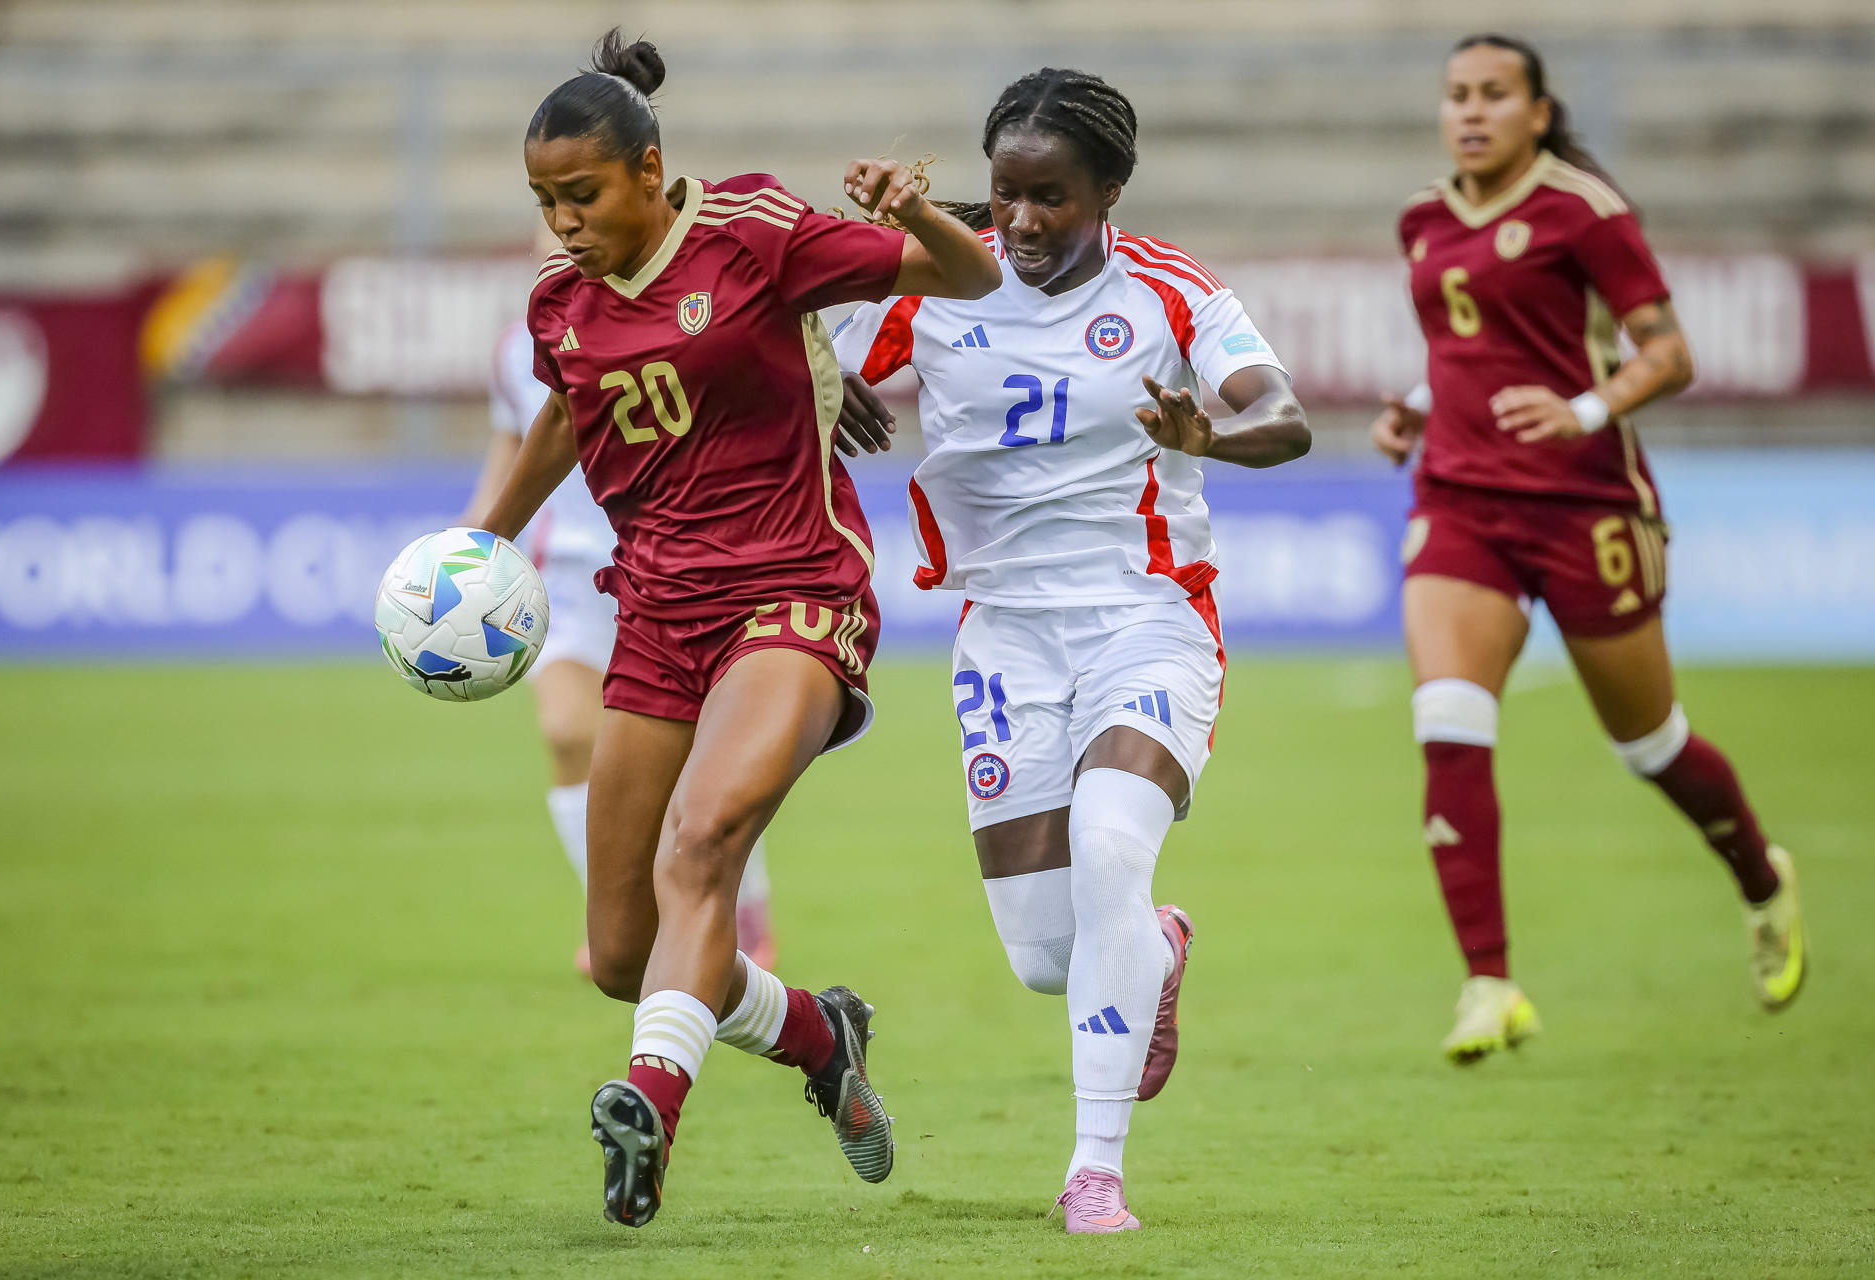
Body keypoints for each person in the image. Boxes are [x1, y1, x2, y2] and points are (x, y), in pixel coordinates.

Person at [475, 30, 1000, 1228]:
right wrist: (491, 539)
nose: (562, 220)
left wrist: (916, 214)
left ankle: (649, 1106)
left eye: (584, 194)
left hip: (796, 594)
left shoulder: (754, 229)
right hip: (657, 616)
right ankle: (820, 1032)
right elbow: (569, 409)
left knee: (702, 839)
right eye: (544, 199)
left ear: (650, 171)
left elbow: (966, 279)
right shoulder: (559, 304)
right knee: (621, 952)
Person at [832, 68, 1308, 1233]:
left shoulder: (1171, 289)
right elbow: (795, 346)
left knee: (1108, 847)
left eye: (1052, 197)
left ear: (1109, 191)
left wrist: (1212, 433)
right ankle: (1159, 943)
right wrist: (825, 373)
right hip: (1003, 634)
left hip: (1148, 616)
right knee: (1051, 955)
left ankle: (1095, 1170)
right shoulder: (934, 283)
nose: (1024, 223)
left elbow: (1283, 417)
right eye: (1004, 196)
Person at [1371, 33, 1807, 1065]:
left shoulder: (1583, 211)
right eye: (1455, 95)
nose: (1470, 112)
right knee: (1447, 715)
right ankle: (1490, 981)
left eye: (1492, 95)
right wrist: (1420, 408)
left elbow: (1668, 352)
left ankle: (1762, 876)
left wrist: (1582, 409)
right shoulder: (1424, 219)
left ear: (1538, 110)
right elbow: (1466, 348)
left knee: (1648, 743)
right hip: (1461, 498)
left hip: (1584, 504)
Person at [464, 226, 776, 979]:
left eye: (580, 207)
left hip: (667, 570)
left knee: (703, 764)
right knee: (568, 729)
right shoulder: (521, 347)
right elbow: (510, 461)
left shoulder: (678, 317)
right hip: (570, 580)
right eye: (547, 215)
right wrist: (466, 553)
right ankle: (615, 911)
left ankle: (746, 916)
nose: (565, 232)